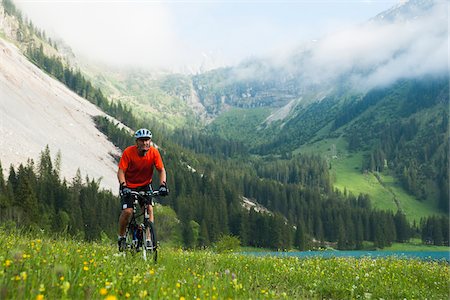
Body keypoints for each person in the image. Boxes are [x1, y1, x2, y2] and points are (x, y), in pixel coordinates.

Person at [117, 128, 168, 251]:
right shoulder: (128, 152)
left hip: (145, 185)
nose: (145, 143)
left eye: (147, 140)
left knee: (149, 208)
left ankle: (148, 239)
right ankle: (122, 237)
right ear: (137, 142)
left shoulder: (154, 153)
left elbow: (161, 170)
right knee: (128, 211)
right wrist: (123, 186)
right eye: (142, 140)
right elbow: (121, 171)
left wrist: (163, 185)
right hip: (128, 185)